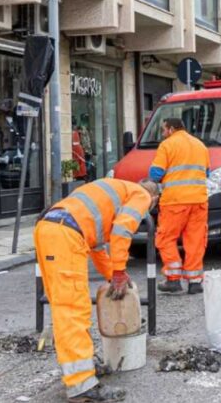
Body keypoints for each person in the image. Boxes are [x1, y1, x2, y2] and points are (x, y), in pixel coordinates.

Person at [34, 177, 160, 402]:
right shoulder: (141, 196)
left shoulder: (113, 191)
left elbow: (98, 248)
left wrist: (113, 275)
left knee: (65, 308)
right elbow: (122, 232)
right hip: (66, 234)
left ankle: (82, 367)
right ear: (154, 199)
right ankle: (82, 386)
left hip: (51, 230)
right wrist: (120, 271)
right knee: (73, 311)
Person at [149, 118, 210, 295]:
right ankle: (195, 281)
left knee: (166, 238)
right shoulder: (200, 145)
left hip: (175, 201)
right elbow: (206, 173)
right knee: (195, 241)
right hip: (199, 201)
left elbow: (156, 173)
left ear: (171, 129)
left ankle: (173, 280)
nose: (162, 133)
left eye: (163, 129)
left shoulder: (167, 145)